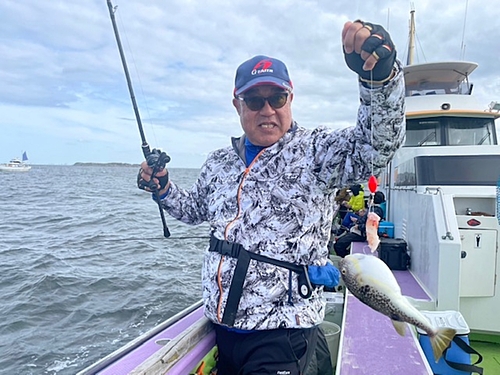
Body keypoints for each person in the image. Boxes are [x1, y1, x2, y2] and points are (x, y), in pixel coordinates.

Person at [137, 19, 405, 375]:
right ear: (237, 105)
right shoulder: (219, 161)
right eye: (254, 99)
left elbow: (377, 146)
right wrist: (164, 188)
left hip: (283, 334)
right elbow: (195, 209)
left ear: (290, 98)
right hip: (225, 331)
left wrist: (381, 80)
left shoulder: (316, 150)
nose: (267, 109)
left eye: (277, 98)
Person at [333, 193, 385, 257]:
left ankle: (346, 257)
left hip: (361, 233)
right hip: (361, 231)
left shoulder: (375, 211)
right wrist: (357, 221)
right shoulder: (375, 210)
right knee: (340, 242)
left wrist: (359, 226)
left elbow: (370, 226)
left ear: (372, 200)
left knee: (338, 245)